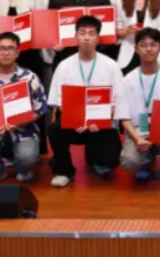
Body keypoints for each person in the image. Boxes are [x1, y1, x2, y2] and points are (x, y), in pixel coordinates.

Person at [47, 16, 125, 187]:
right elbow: (58, 102)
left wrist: (95, 120)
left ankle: (95, 156)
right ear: (75, 37)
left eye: (91, 33)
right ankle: (64, 170)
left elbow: (118, 102)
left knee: (111, 160)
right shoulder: (64, 66)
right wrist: (78, 119)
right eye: (82, 33)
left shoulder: (111, 66)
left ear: (98, 38)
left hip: (102, 124)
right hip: (73, 122)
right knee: (54, 129)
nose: (87, 38)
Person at [0, 31, 48, 185]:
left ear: (17, 52)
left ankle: (23, 169)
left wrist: (21, 121)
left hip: (24, 130)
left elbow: (40, 109)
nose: (6, 53)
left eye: (10, 49)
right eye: (1, 49)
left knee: (28, 156)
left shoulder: (29, 78)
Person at [118, 28, 160, 185]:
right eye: (143, 45)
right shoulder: (127, 80)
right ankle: (146, 162)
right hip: (139, 131)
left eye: (153, 45)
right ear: (136, 49)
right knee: (129, 161)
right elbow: (124, 117)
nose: (148, 49)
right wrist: (138, 139)